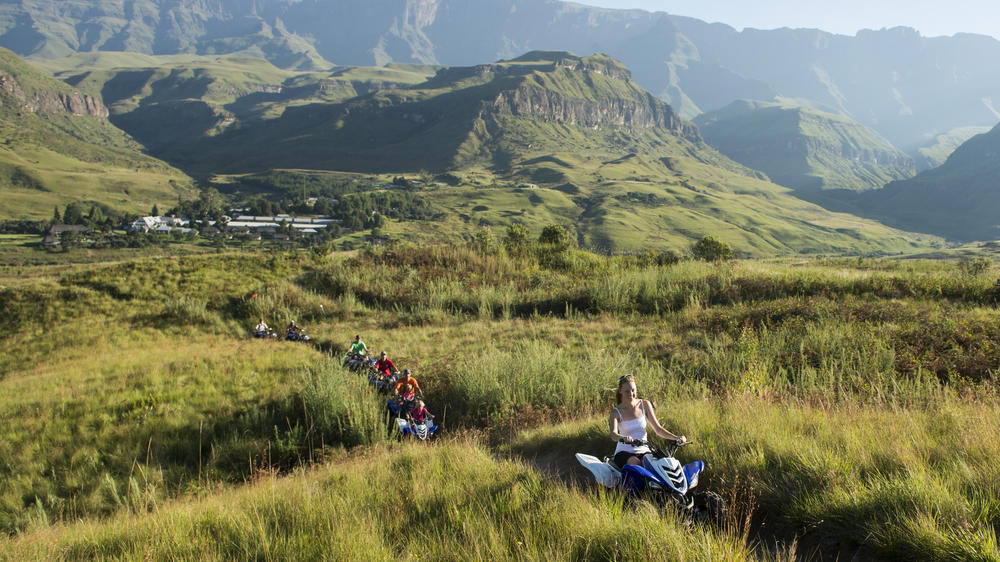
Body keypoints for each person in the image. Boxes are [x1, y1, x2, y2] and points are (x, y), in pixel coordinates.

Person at [609, 374, 687, 469]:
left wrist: (676, 438)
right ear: (620, 391)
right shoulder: (615, 412)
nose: (631, 394)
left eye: (633, 390)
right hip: (624, 453)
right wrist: (623, 438)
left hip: (645, 451)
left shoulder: (644, 404)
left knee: (663, 465)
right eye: (627, 391)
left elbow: (658, 429)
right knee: (636, 464)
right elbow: (613, 435)